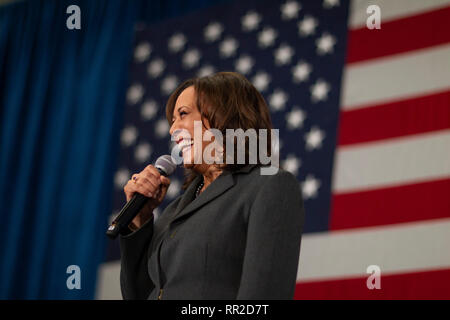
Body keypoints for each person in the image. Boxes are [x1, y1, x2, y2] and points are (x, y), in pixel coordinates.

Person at [120, 72, 305, 300]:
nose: (172, 130)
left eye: (183, 114)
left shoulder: (269, 187)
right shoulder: (174, 210)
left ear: (223, 117)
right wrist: (139, 221)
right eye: (172, 120)